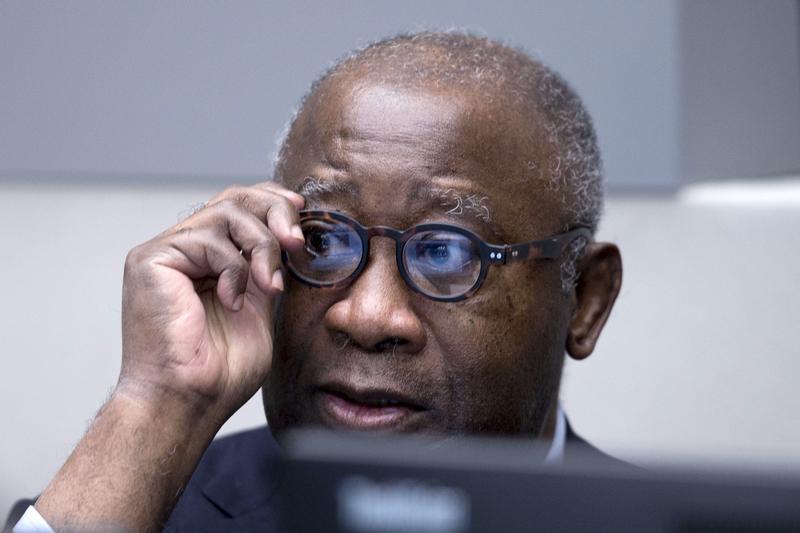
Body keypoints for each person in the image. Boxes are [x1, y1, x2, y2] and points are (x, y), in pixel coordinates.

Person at [8, 31, 622, 532]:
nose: (368, 316)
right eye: (324, 239)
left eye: (444, 251)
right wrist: (152, 407)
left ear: (585, 301)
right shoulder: (134, 516)